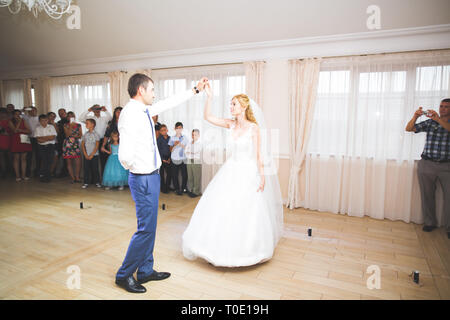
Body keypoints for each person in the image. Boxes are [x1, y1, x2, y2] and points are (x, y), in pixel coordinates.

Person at [115, 73, 207, 293]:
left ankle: (145, 271)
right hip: (143, 177)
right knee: (145, 229)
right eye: (152, 90)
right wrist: (137, 169)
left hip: (151, 175)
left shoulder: (144, 110)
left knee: (151, 227)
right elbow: (125, 154)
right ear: (141, 90)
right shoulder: (130, 114)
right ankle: (124, 274)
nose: (155, 94)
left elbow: (168, 102)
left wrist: (194, 90)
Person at [182, 85, 284, 267]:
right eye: (230, 104)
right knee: (223, 207)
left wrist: (262, 176)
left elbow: (259, 155)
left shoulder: (254, 128)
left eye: (234, 104)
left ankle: (248, 250)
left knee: (246, 209)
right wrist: (210, 98)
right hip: (230, 170)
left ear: (244, 107)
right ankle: (218, 247)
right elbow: (208, 117)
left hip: (248, 171)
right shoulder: (230, 123)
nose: (231, 107)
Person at [405, 99, 450, 239]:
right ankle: (430, 222)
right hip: (427, 163)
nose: (443, 109)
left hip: (446, 166)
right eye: (441, 106)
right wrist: (415, 116)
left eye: (446, 107)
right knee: (427, 195)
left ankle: (449, 228)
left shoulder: (439, 121)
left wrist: (437, 119)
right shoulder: (431, 122)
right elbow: (409, 128)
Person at [79, 105, 112, 176]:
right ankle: (93, 180)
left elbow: (111, 118)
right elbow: (81, 118)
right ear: (93, 110)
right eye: (95, 108)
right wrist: (89, 110)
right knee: (92, 160)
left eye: (98, 108)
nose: (97, 110)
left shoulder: (104, 118)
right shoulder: (90, 118)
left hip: (103, 141)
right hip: (92, 142)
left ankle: (104, 178)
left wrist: (105, 110)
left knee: (104, 161)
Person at [8, 109, 32, 182]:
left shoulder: (23, 120)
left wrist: (21, 130)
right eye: (16, 114)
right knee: (16, 158)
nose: (18, 116)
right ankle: (17, 176)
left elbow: (29, 131)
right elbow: (15, 130)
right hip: (15, 140)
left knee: (24, 158)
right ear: (13, 115)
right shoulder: (10, 121)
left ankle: (23, 175)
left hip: (24, 140)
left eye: (19, 114)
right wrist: (19, 122)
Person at [34, 114, 57, 183]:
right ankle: (44, 176)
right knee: (44, 161)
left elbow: (53, 137)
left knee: (50, 161)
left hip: (50, 146)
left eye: (45, 120)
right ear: (39, 121)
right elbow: (38, 139)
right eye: (42, 121)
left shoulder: (51, 127)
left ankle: (48, 176)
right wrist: (48, 138)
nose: (44, 122)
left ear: (47, 120)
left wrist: (43, 138)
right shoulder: (37, 128)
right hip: (41, 146)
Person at [168, 122, 188, 195]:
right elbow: (170, 150)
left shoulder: (185, 138)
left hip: (183, 158)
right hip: (174, 158)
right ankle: (177, 189)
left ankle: (183, 188)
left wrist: (181, 145)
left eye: (180, 128)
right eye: (177, 128)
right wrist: (174, 145)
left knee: (184, 175)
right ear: (175, 129)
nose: (179, 130)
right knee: (174, 175)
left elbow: (187, 148)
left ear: (182, 129)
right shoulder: (172, 138)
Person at [81, 118, 101, 189]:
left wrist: (92, 154)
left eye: (87, 123)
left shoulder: (96, 134)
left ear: (92, 125)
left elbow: (97, 145)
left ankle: (97, 182)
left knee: (95, 169)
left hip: (94, 155)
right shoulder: (85, 134)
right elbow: (82, 144)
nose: (86, 124)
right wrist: (85, 154)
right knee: (86, 169)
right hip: (86, 155)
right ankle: (86, 182)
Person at [62, 111, 82, 183]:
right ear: (67, 117)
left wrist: (74, 136)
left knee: (78, 161)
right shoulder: (65, 125)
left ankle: (77, 177)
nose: (71, 117)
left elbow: (80, 135)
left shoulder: (79, 125)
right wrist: (70, 126)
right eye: (69, 116)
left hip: (75, 144)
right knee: (69, 162)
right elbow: (67, 135)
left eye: (72, 116)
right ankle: (72, 177)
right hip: (67, 144)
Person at [22, 106, 40, 178]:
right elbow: (19, 115)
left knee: (38, 156)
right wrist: (23, 110)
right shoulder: (26, 117)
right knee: (28, 156)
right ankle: (27, 172)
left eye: (33, 110)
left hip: (37, 138)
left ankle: (37, 172)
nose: (32, 112)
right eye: (30, 111)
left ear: (36, 111)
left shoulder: (39, 118)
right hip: (28, 138)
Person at [185, 129, 203, 198]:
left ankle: (196, 192)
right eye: (192, 134)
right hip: (189, 161)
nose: (193, 136)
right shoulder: (189, 143)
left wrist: (190, 151)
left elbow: (195, 151)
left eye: (195, 135)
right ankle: (191, 190)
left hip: (196, 161)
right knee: (190, 177)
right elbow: (185, 151)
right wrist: (190, 151)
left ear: (198, 135)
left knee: (196, 177)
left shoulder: (199, 143)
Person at [156, 124, 171, 193]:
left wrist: (169, 158)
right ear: (160, 132)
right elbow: (158, 150)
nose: (164, 131)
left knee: (169, 174)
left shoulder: (170, 138)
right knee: (161, 174)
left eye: (165, 130)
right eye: (162, 131)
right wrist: (162, 159)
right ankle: (163, 188)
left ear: (167, 130)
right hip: (161, 158)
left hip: (168, 158)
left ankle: (167, 187)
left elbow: (171, 149)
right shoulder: (159, 139)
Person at [56, 108, 69, 178]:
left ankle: (66, 172)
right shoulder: (58, 122)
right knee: (60, 158)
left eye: (62, 113)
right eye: (59, 113)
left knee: (66, 158)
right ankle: (61, 172)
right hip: (60, 142)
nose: (61, 114)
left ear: (65, 113)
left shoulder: (69, 121)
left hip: (68, 141)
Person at [0, 108, 11, 178]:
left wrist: (7, 133)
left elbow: (13, 131)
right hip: (1, 140)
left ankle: (10, 171)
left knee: (10, 157)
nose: (2, 115)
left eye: (4, 113)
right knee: (2, 157)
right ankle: (3, 172)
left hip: (8, 140)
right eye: (1, 113)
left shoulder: (9, 121)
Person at [47, 112, 59, 177]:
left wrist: (53, 124)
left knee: (55, 157)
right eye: (51, 116)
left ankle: (51, 172)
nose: (52, 117)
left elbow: (57, 133)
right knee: (47, 158)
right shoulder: (44, 124)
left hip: (54, 143)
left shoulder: (55, 124)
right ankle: (46, 172)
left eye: (54, 116)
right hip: (46, 143)